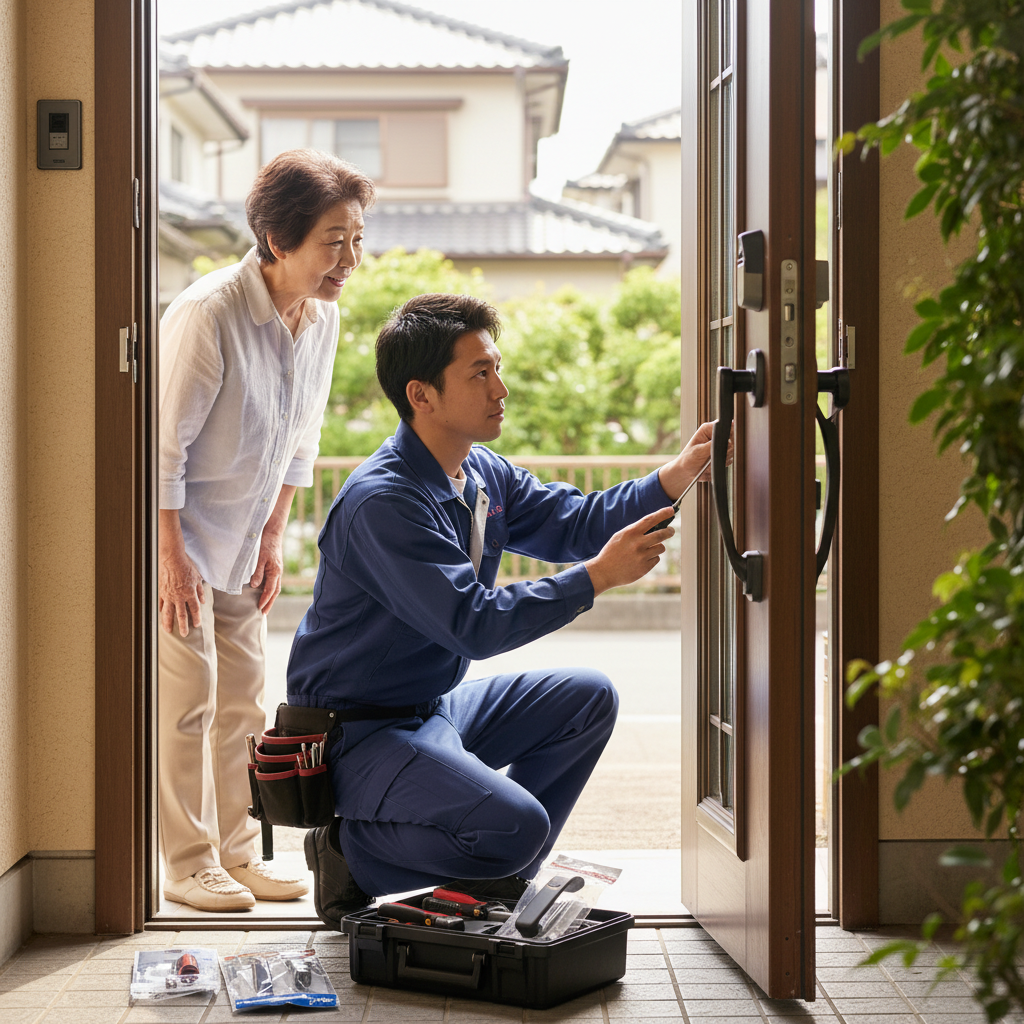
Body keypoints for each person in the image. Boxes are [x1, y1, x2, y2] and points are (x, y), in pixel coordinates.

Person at [287, 293, 718, 928]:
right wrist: (598, 577)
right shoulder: (383, 502)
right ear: (422, 395)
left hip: (429, 712)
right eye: (479, 373)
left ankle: (497, 870)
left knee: (587, 696)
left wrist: (678, 474)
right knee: (517, 828)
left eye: (497, 367)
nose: (501, 387)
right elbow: (475, 623)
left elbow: (573, 521)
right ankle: (348, 853)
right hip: (357, 734)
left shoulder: (476, 470)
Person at [158, 149, 376, 912]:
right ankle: (186, 866)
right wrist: (169, 557)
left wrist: (273, 536)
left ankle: (235, 853)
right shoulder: (211, 312)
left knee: (246, 706)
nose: (350, 257)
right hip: (177, 543)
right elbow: (163, 451)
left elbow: (300, 441)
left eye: (356, 237)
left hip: (240, 544)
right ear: (280, 240)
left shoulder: (322, 317)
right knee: (187, 702)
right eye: (333, 239)